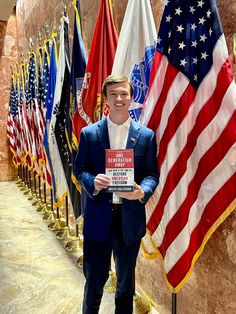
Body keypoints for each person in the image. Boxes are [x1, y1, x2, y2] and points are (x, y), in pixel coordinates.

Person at [74, 74, 159, 314]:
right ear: (106, 99)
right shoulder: (90, 134)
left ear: (131, 98)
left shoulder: (146, 136)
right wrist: (93, 181)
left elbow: (152, 174)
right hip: (99, 218)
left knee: (125, 286)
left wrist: (143, 191)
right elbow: (79, 168)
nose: (119, 98)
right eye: (114, 94)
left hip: (129, 220)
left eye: (124, 93)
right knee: (94, 283)